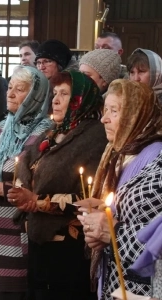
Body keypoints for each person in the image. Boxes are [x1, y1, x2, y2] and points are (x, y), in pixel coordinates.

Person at [10, 71, 107, 299]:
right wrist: (20, 191)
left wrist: (38, 202)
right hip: (39, 239)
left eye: (64, 94)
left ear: (81, 99)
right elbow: (24, 164)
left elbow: (91, 197)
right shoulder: (53, 132)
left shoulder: (96, 137)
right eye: (54, 93)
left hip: (70, 248)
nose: (55, 100)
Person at [0, 66, 52, 299]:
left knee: (18, 292)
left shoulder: (45, 134)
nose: (10, 93)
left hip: (23, 233)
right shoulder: (2, 127)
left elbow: (41, 188)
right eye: (11, 87)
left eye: (20, 89)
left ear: (36, 96)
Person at [78, 80, 162, 299]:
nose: (104, 119)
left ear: (136, 114)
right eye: (104, 111)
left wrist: (113, 231)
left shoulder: (158, 159)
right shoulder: (117, 153)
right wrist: (98, 227)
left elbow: (155, 234)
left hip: (144, 289)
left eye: (114, 111)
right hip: (114, 281)